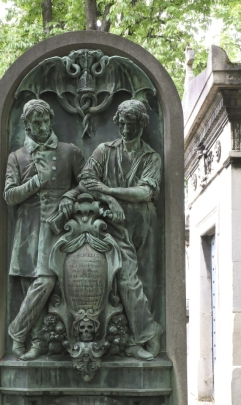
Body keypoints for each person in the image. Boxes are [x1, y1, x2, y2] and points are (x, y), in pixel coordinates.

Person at [79, 99, 163, 359]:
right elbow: (85, 179)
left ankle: (133, 336)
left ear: (141, 124)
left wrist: (109, 190)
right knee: (127, 279)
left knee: (146, 283)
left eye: (132, 124)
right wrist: (110, 199)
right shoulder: (105, 150)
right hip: (114, 225)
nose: (126, 129)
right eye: (122, 124)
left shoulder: (151, 157)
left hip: (145, 223)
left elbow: (145, 191)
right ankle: (144, 336)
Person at [4, 99, 85, 360]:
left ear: (51, 120)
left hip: (57, 227)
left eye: (44, 121)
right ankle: (36, 342)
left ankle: (17, 331)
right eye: (35, 122)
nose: (41, 126)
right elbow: (9, 195)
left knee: (47, 279)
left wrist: (69, 197)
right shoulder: (16, 157)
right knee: (30, 283)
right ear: (26, 125)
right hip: (28, 228)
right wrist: (36, 182)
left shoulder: (68, 151)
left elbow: (86, 183)